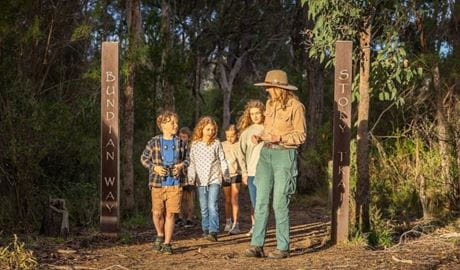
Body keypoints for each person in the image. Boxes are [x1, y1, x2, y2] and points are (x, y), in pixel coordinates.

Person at [244, 70, 306, 259]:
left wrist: (278, 138)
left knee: (280, 202)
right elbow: (268, 130)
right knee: (261, 201)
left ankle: (283, 247)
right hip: (265, 154)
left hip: (285, 155)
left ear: (279, 88)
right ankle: (257, 245)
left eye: (269, 87)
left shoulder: (296, 107)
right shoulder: (270, 104)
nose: (267, 90)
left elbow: (301, 136)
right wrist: (260, 136)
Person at [140, 111, 189, 255]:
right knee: (157, 213)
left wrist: (180, 166)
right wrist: (154, 167)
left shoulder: (181, 142)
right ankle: (160, 235)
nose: (176, 125)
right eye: (172, 122)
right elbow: (143, 158)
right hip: (157, 183)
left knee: (170, 214)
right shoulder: (154, 141)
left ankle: (167, 243)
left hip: (175, 183)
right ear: (163, 125)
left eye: (176, 122)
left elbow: (188, 159)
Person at [188, 116, 230, 242]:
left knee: (213, 204)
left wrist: (225, 174)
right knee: (204, 206)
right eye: (208, 129)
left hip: (214, 178)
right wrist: (191, 177)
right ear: (201, 129)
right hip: (200, 180)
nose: (210, 132)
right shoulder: (195, 144)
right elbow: (192, 163)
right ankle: (205, 229)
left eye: (212, 129)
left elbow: (222, 159)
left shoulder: (216, 143)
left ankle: (213, 231)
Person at [235, 100, 265, 236]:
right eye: (252, 114)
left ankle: (262, 227)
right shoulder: (246, 132)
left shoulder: (269, 128)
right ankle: (255, 226)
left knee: (264, 202)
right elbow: (240, 153)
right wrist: (244, 173)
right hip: (253, 172)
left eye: (257, 113)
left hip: (268, 172)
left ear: (263, 113)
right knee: (255, 201)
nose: (255, 116)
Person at [221, 124, 242, 235]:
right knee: (227, 200)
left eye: (232, 136)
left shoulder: (239, 145)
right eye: (227, 136)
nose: (230, 139)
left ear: (237, 135)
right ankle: (228, 221)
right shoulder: (222, 145)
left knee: (235, 198)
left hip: (236, 174)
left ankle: (236, 223)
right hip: (225, 175)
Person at [176, 127, 195, 228]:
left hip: (189, 173)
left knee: (189, 196)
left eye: (184, 137)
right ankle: (180, 217)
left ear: (189, 137)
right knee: (180, 196)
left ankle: (189, 218)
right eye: (180, 136)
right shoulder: (177, 146)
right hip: (179, 173)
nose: (182, 138)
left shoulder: (191, 147)